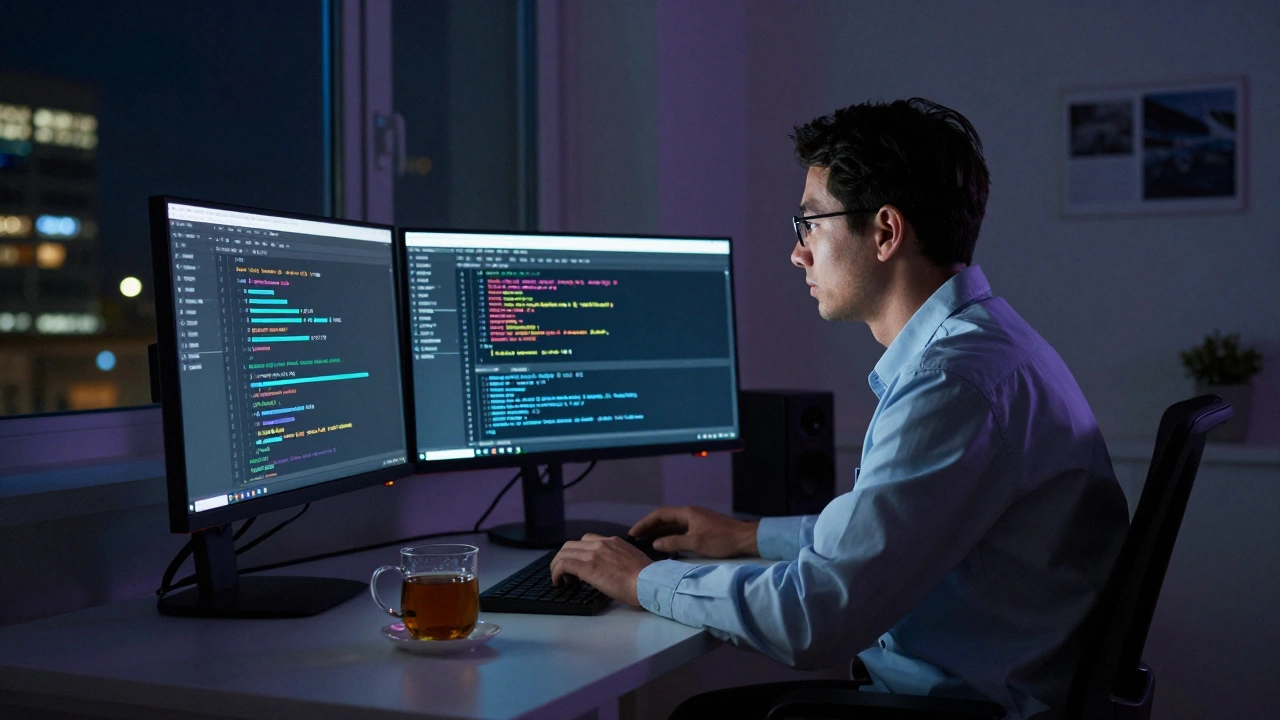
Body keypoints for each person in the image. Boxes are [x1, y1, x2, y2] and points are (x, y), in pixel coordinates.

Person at [549, 98, 1130, 720]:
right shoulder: (987, 348)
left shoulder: (953, 384)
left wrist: (641, 580)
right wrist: (745, 535)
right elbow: (887, 533)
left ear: (885, 231)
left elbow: (811, 621)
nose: (798, 253)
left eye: (811, 225)